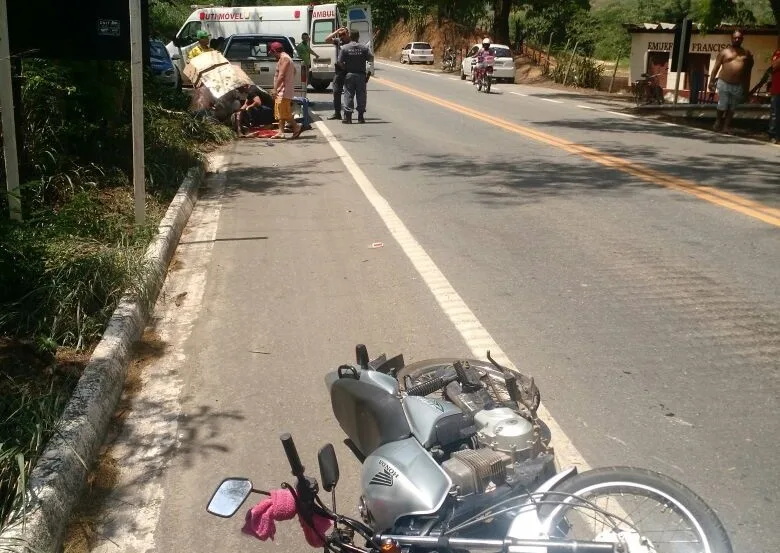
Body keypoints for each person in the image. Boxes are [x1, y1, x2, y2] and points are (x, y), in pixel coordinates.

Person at [708, 30, 754, 134]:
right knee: (723, 104)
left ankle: (726, 126)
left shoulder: (746, 53)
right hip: (724, 82)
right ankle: (718, 122)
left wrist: (746, 89)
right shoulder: (724, 52)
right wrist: (711, 82)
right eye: (735, 37)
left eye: (739, 38)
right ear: (731, 38)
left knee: (732, 107)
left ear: (742, 39)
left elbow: (748, 72)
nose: (737, 39)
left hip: (738, 85)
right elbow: (715, 68)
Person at [270, 41, 304, 139]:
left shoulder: (284, 58)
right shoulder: (286, 58)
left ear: (274, 51)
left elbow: (281, 75)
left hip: (283, 90)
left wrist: (275, 89)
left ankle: (297, 127)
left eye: (272, 53)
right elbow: (294, 71)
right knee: (280, 111)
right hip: (284, 88)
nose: (272, 55)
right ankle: (281, 131)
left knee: (284, 112)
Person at [338, 30, 374, 124]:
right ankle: (360, 117)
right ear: (358, 36)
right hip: (361, 75)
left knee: (348, 95)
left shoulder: (345, 48)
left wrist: (345, 68)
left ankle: (348, 118)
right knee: (361, 95)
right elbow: (371, 58)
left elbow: (339, 62)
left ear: (350, 36)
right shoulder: (364, 48)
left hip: (349, 74)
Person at [325, 27, 350, 120]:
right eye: (340, 35)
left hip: (349, 70)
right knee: (336, 91)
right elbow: (326, 39)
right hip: (339, 70)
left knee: (349, 93)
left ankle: (348, 114)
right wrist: (337, 31)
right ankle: (337, 113)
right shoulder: (338, 41)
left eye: (343, 34)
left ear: (348, 33)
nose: (342, 36)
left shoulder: (352, 42)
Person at [769, 38, 780, 144]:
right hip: (777, 90)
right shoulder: (777, 53)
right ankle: (773, 135)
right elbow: (774, 66)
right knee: (775, 114)